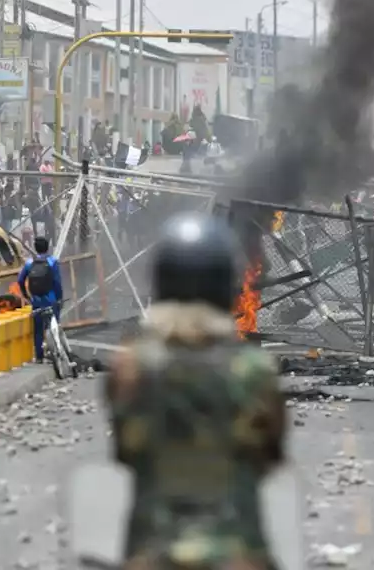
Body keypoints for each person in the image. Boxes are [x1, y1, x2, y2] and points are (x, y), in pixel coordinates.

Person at [104, 212, 287, 569]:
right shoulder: (254, 371)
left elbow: (125, 452)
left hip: (151, 553)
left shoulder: (131, 366)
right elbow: (270, 457)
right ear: (224, 285)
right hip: (237, 555)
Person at [18, 236, 64, 363]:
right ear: (47, 247)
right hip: (51, 299)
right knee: (54, 325)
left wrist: (26, 295)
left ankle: (39, 356)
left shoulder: (29, 263)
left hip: (37, 300)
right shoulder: (53, 262)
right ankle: (56, 353)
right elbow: (57, 282)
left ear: (35, 248)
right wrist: (60, 298)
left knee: (38, 329)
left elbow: (20, 280)